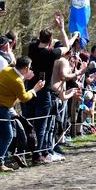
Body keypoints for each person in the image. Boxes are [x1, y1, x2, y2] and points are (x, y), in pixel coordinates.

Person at [25, 11, 79, 165]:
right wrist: (62, 28)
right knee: (42, 124)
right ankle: (39, 155)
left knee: (30, 122)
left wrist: (52, 26)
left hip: (31, 89)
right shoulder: (51, 53)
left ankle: (32, 153)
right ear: (50, 41)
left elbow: (40, 37)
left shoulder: (32, 48)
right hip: (44, 92)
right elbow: (67, 46)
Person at [0, 56, 45, 171]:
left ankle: (1, 160)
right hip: (2, 107)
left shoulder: (6, 70)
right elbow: (24, 97)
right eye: (29, 68)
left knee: (0, 134)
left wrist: (24, 77)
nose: (31, 70)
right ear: (25, 68)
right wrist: (35, 89)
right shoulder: (17, 81)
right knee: (7, 135)